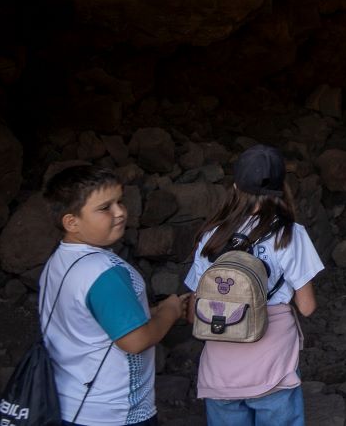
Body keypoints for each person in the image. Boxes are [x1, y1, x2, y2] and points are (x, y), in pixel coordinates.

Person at [40, 164, 187, 426]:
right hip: (113, 412)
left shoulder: (59, 260)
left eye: (120, 202)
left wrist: (152, 312)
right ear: (72, 222)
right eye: (105, 208)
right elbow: (136, 341)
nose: (120, 212)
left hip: (69, 401)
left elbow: (93, 322)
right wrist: (170, 311)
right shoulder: (103, 272)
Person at [185, 145, 323, 426]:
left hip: (220, 369)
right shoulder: (289, 234)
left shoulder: (212, 235)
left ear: (235, 186)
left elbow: (192, 313)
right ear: (282, 187)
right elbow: (307, 307)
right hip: (272, 366)